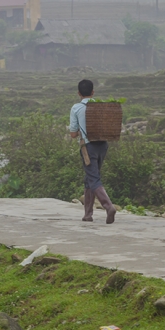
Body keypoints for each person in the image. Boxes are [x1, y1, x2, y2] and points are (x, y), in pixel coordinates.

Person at [69, 79, 116, 224]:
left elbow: (73, 134)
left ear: (78, 93)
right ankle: (87, 214)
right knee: (89, 178)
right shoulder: (100, 106)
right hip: (103, 146)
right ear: (93, 92)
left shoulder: (76, 108)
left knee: (94, 178)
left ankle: (108, 206)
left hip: (88, 147)